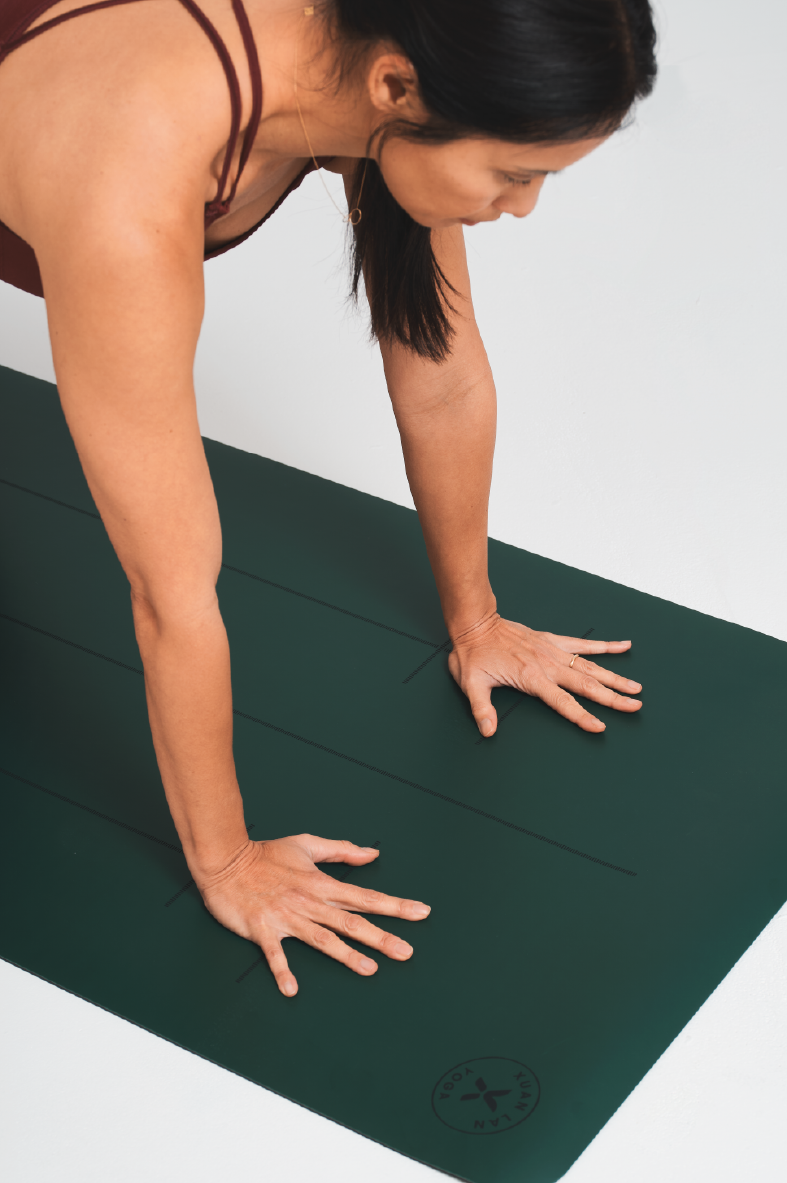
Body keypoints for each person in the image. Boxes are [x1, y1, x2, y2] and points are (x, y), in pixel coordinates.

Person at [0, 0, 657, 995]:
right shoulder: (127, 176)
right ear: (396, 88)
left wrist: (478, 620)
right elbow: (170, 594)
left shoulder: (381, 49)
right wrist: (227, 861)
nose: (523, 209)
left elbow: (439, 377)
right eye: (515, 173)